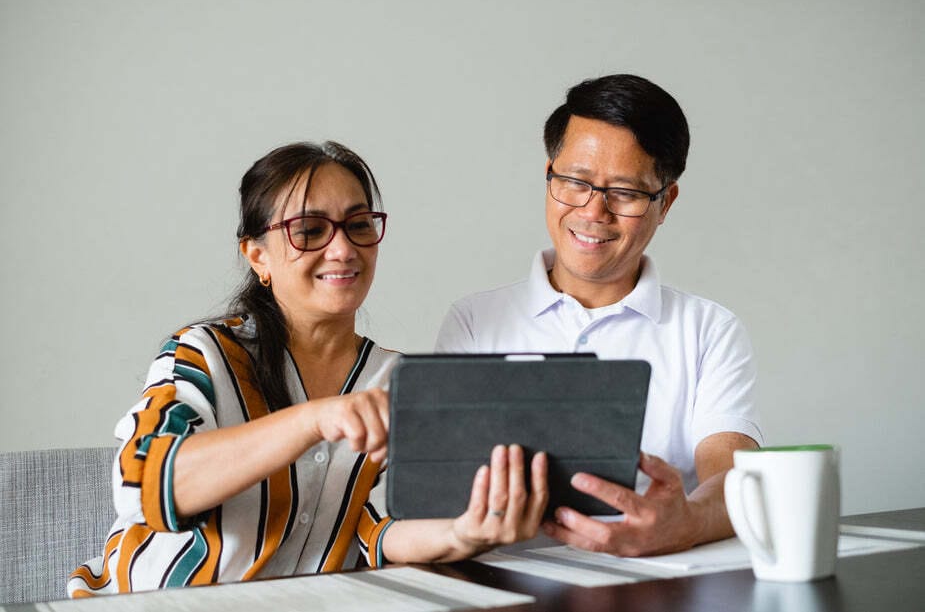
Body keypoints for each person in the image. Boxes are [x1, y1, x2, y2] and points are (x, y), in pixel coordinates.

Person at [68, 141, 548, 597]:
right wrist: (313, 420)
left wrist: (464, 533)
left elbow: (377, 532)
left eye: (359, 224)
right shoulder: (204, 353)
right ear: (258, 256)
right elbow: (147, 483)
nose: (342, 249)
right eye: (310, 230)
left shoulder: (396, 379)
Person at [435, 74, 763, 557]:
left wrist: (687, 523)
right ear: (550, 176)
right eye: (574, 182)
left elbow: (733, 476)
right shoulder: (474, 321)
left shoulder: (709, 331)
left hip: (659, 590)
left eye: (625, 193)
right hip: (506, 588)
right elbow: (443, 483)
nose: (593, 211)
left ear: (665, 202)